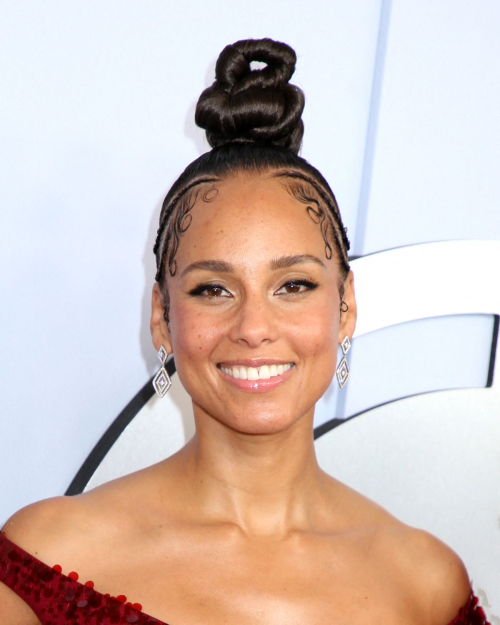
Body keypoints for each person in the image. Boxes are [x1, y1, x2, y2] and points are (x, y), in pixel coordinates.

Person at [0, 38, 489, 625]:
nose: (254, 328)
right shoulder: (50, 558)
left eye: (294, 286)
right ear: (161, 317)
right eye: (214, 289)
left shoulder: (426, 585)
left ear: (346, 307)